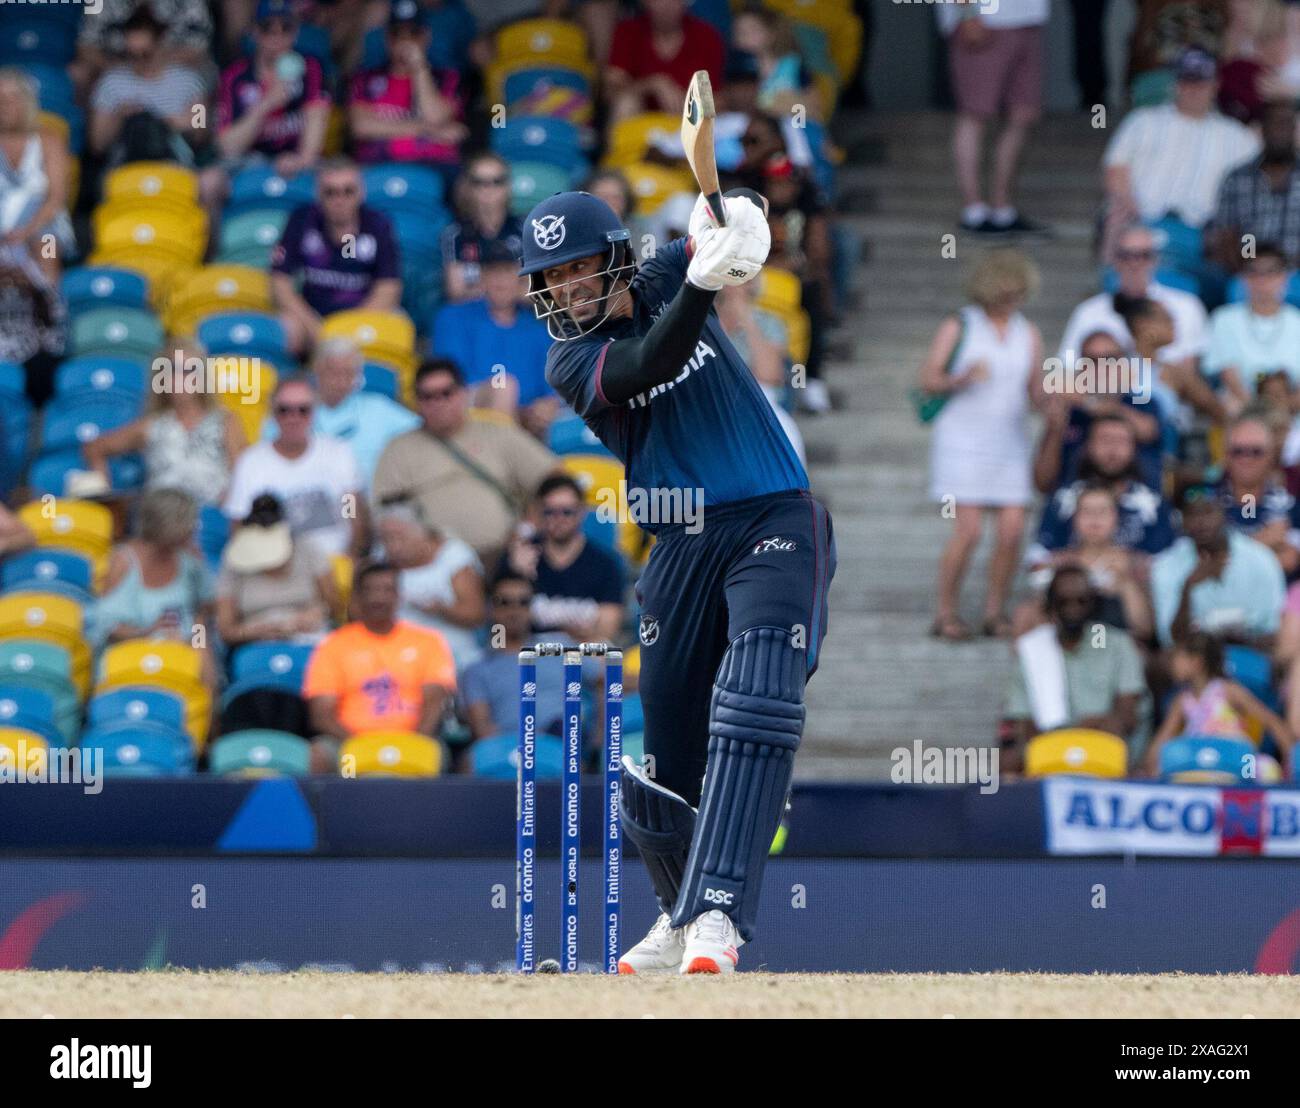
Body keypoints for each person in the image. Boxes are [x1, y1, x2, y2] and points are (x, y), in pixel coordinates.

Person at [518, 184, 834, 974]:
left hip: (774, 516)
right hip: (679, 543)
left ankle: (718, 915)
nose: (569, 287)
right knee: (664, 762)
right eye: (552, 277)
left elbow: (729, 220)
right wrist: (703, 282)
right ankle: (679, 910)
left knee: (756, 700)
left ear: (618, 258)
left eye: (581, 266)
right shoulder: (571, 359)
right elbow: (650, 360)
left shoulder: (658, 278)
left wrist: (735, 224)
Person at [922, 249, 1045, 640]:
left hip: (1010, 438)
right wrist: (962, 378)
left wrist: (1059, 398)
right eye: (1004, 293)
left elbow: (1035, 391)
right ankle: (946, 612)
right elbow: (929, 379)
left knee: (1011, 531)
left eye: (1017, 294)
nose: (1011, 301)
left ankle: (995, 612)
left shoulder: (1028, 332)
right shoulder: (960, 325)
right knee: (969, 530)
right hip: (963, 439)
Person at [372, 359, 558, 574]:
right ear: (417, 402)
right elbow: (383, 511)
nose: (438, 403)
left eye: (446, 393)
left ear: (463, 394)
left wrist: (527, 529)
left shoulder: (497, 433)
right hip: (430, 567)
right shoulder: (399, 448)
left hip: (503, 558)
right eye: (428, 396)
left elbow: (555, 478)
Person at [1102, 46, 1260, 278]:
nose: (1193, 89)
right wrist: (1128, 206)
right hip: (1145, 221)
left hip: (1204, 233)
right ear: (1175, 83)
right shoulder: (1142, 121)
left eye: (1201, 82)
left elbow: (1255, 189)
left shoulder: (1238, 136)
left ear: (1215, 84)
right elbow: (1115, 170)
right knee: (1125, 240)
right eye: (1187, 81)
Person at [303, 561, 456, 773]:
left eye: (387, 590)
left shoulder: (429, 641)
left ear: (398, 595)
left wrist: (410, 745)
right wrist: (364, 747)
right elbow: (322, 714)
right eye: (370, 590)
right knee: (319, 754)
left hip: (414, 741)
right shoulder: (333, 645)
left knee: (436, 755)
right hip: (350, 745)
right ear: (357, 596)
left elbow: (435, 702)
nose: (378, 598)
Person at [1003, 566, 1149, 771]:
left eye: (1082, 601)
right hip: (1052, 749)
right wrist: (1075, 734)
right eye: (1064, 602)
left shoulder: (1111, 642)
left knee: (1113, 727)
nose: (1074, 609)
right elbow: (1024, 723)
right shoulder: (1034, 648)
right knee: (1009, 761)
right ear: (1050, 606)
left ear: (1094, 603)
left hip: (1106, 750)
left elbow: (1127, 716)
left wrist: (1086, 732)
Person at [201, 0, 330, 218]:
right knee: (208, 182)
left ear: (296, 32)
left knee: (340, 182)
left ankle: (323, 248)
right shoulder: (235, 76)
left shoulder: (311, 69)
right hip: (245, 161)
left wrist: (300, 160)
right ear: (254, 33)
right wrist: (267, 103)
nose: (276, 37)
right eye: (268, 28)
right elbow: (227, 147)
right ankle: (212, 249)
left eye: (285, 28)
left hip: (296, 159)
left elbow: (315, 134)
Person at [83, 340, 247, 506]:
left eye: (190, 370)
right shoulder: (151, 426)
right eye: (173, 370)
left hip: (212, 519)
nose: (182, 378)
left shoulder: (225, 422)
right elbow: (94, 448)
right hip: (161, 522)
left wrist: (224, 507)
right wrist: (109, 506)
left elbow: (243, 475)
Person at [224, 374, 368, 558]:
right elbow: (238, 524)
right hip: (274, 568)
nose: (294, 417)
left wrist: (350, 559)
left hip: (334, 561)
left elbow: (352, 511)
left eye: (303, 410)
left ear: (314, 412)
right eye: (284, 410)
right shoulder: (251, 462)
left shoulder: (338, 453)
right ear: (272, 412)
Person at [938, 0, 1050, 235]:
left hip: (1027, 17)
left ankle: (1002, 211)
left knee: (1023, 113)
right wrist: (967, 12)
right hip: (983, 17)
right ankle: (974, 212)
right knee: (974, 113)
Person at [270, 158, 402, 354]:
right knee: (287, 327)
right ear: (318, 195)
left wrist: (347, 329)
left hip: (362, 316)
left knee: (399, 325)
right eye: (330, 192)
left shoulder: (379, 225)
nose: (339, 200)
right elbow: (279, 281)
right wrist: (313, 325)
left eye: (348, 191)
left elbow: (389, 288)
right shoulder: (301, 219)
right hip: (313, 319)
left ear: (361, 193)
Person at [430, 240, 556, 436]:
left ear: (521, 279)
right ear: (481, 278)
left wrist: (545, 407)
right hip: (469, 412)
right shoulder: (454, 317)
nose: (500, 281)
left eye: (507, 272)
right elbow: (449, 382)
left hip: (529, 424)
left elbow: (551, 392)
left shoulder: (538, 329)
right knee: (504, 387)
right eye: (493, 272)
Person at [1028, 414, 1177, 565]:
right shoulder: (1064, 500)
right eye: (1104, 440)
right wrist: (1081, 559)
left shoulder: (1152, 503)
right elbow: (1037, 559)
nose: (1113, 449)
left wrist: (1126, 562)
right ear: (1087, 447)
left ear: (1134, 448)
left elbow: (1169, 563)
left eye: (1121, 441)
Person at [266, 337, 418, 484]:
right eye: (333, 372)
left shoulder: (378, 409)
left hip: (362, 502)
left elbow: (422, 431)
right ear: (316, 370)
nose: (340, 381)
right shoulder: (293, 410)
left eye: (348, 373)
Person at [348, 0, 467, 186]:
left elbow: (434, 116)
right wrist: (428, 130)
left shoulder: (447, 78)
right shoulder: (366, 78)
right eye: (397, 34)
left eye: (413, 33)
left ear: (426, 36)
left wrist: (419, 68)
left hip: (437, 167)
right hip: (378, 164)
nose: (405, 42)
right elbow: (362, 127)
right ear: (387, 39)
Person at [1150, 485, 1286, 649]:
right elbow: (1170, 641)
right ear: (1182, 521)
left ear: (1224, 515)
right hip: (1196, 661)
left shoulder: (1260, 559)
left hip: (1252, 658)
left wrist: (1236, 640)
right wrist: (1188, 588)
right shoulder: (1166, 566)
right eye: (1192, 514)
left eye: (1208, 512)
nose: (1201, 522)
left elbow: (1276, 631)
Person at [1057, 223, 1207, 371]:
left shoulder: (1187, 307)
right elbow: (1067, 368)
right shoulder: (1088, 312)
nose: (1134, 264)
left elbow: (1189, 371)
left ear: (1155, 260)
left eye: (1143, 256)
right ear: (1115, 260)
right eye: (1126, 256)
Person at [1143, 630, 1293, 774]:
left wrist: (1290, 764)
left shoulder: (1229, 690)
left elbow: (1272, 722)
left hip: (1234, 763)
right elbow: (1163, 738)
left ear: (1196, 662)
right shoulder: (1182, 700)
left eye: (1177, 658)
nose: (1172, 665)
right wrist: (1148, 767)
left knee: (1267, 769)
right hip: (1198, 763)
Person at [90, 487, 215, 656]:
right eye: (189, 523)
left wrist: (198, 647)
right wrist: (149, 633)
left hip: (181, 656)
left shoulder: (190, 561)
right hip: (129, 657)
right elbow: (104, 625)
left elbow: (202, 614)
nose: (193, 529)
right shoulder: (123, 561)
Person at [506, 474, 625, 644]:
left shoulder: (605, 564)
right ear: (539, 513)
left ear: (582, 512)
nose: (558, 519)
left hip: (585, 656)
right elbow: (503, 633)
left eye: (567, 512)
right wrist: (519, 577)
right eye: (550, 512)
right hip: (530, 656)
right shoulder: (520, 557)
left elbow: (607, 631)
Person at [215, 492, 335, 653]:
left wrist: (318, 613)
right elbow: (225, 629)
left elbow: (334, 605)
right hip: (256, 644)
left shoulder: (307, 548)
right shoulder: (232, 561)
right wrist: (257, 631)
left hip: (308, 638)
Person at [87, 5, 207, 166]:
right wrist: (119, 117)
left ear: (161, 44)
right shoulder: (110, 82)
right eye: (131, 55)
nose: (138, 61)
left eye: (145, 54)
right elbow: (97, 145)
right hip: (125, 171)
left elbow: (202, 131)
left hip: (174, 168)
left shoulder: (190, 81)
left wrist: (167, 122)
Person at [377, 504, 485, 671]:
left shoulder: (453, 556)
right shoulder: (379, 561)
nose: (393, 547)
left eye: (399, 538)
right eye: (386, 539)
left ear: (421, 533)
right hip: (401, 660)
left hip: (454, 656)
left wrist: (441, 609)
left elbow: (475, 614)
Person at [1209, 100, 1300, 275]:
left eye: (1286, 124)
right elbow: (1227, 234)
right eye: (1274, 124)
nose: (1281, 132)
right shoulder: (1237, 177)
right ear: (1262, 130)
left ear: (1294, 130)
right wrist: (1252, 269)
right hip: (1248, 271)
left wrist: (1283, 273)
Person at [0, 69, 74, 283]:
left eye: (12, 97)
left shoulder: (50, 140)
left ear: (27, 102)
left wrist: (25, 232)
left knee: (47, 247)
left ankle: (50, 304)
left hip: (43, 223)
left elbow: (56, 198)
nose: (5, 104)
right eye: (0, 97)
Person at [1205, 244, 1300, 405]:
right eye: (1254, 272)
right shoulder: (1224, 319)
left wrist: (1286, 410)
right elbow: (1229, 377)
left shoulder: (1297, 321)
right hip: (1243, 410)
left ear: (1285, 276)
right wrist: (1260, 413)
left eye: (1271, 272)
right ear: (1243, 277)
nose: (1262, 280)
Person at [604, 0, 725, 123]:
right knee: (625, 103)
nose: (666, 5)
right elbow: (611, 90)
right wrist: (652, 84)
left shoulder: (706, 36)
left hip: (687, 122)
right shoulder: (628, 32)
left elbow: (717, 100)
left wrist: (687, 101)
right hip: (641, 124)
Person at [1210, 414, 1298, 574]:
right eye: (1238, 451)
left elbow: (1291, 559)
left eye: (1256, 452)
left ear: (1271, 456)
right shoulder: (1206, 501)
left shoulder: (1293, 507)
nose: (1246, 458)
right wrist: (1267, 541)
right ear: (1226, 456)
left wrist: (1230, 557)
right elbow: (1204, 561)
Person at [439, 151, 522, 303]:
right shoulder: (454, 234)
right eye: (479, 182)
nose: (488, 188)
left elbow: (534, 291)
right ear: (468, 188)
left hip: (520, 317)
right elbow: (456, 293)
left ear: (508, 186)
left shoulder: (525, 230)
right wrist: (505, 288)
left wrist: (482, 288)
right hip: (472, 318)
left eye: (497, 181)